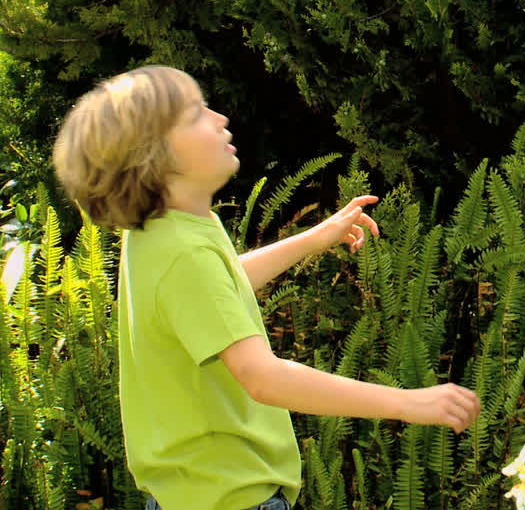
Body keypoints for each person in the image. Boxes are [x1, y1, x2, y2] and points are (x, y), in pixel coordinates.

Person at [52, 66, 481, 510]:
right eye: (196, 113)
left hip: (197, 493)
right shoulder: (184, 253)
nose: (220, 118)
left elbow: (219, 290)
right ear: (153, 158)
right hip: (229, 499)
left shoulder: (162, 233)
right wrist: (407, 403)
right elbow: (263, 378)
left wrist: (314, 237)